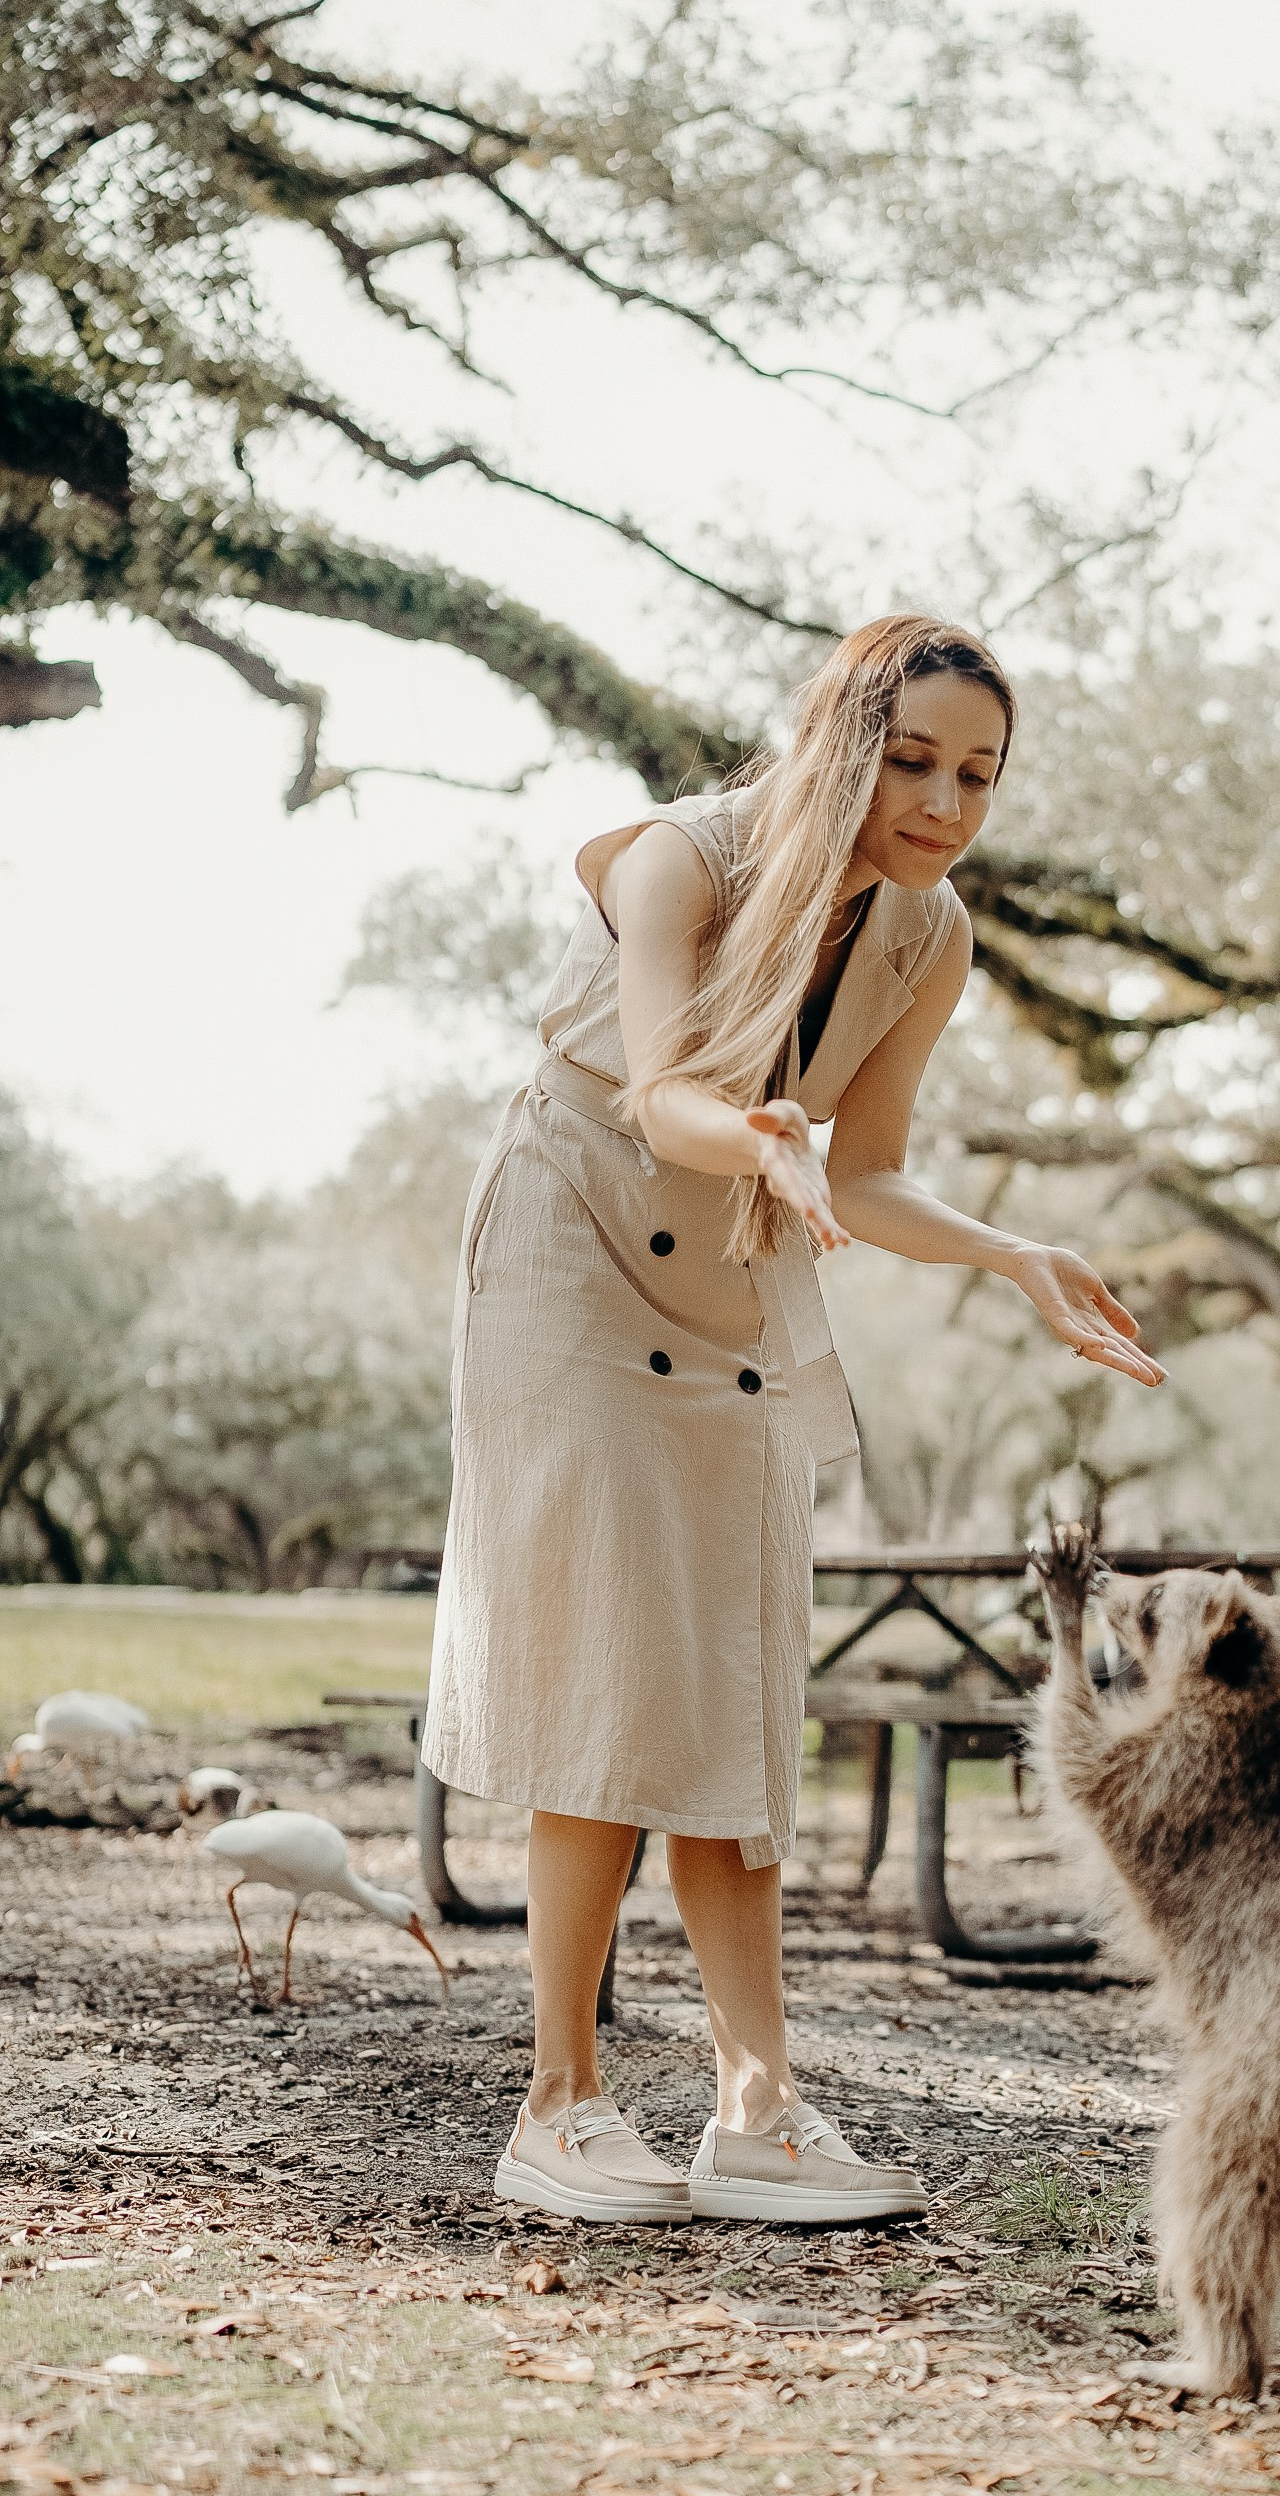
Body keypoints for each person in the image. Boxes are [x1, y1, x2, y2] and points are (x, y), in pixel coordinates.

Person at [423, 615, 1165, 2224]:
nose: (947, 803)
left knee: (737, 1669)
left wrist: (1011, 1252)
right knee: (612, 1659)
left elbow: (874, 1167)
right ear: (839, 740)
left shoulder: (929, 932)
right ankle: (561, 2102)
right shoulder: (682, 862)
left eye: (979, 773)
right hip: (574, 1249)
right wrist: (763, 1146)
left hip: (747, 1250)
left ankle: (758, 2114)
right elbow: (660, 1095)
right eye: (913, 761)